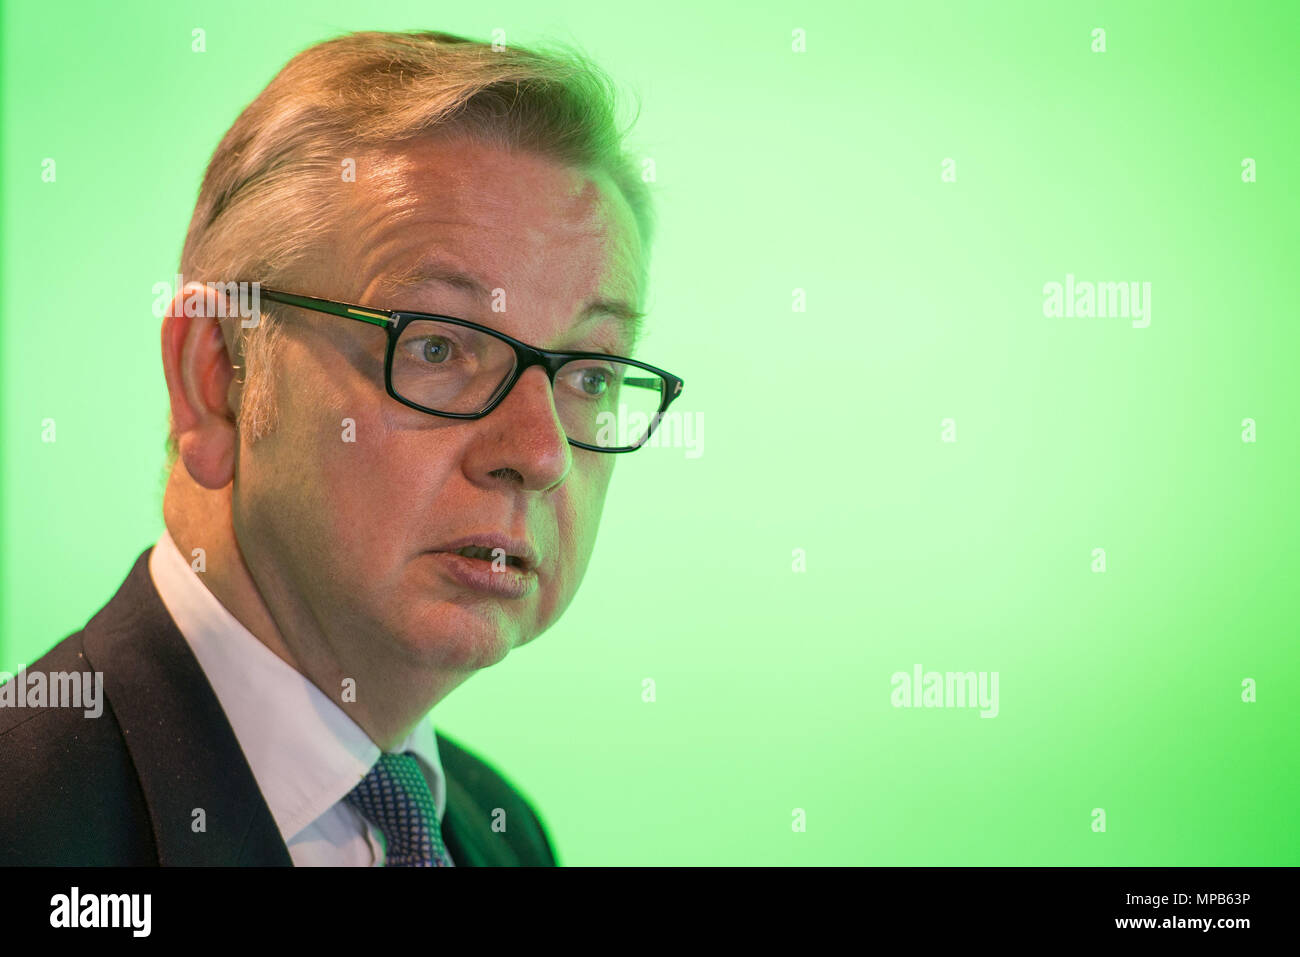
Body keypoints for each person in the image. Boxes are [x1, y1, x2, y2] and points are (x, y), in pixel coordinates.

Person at [0, 29, 684, 866]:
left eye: (590, 372)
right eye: (439, 346)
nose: (539, 454)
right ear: (217, 378)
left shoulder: (501, 830)